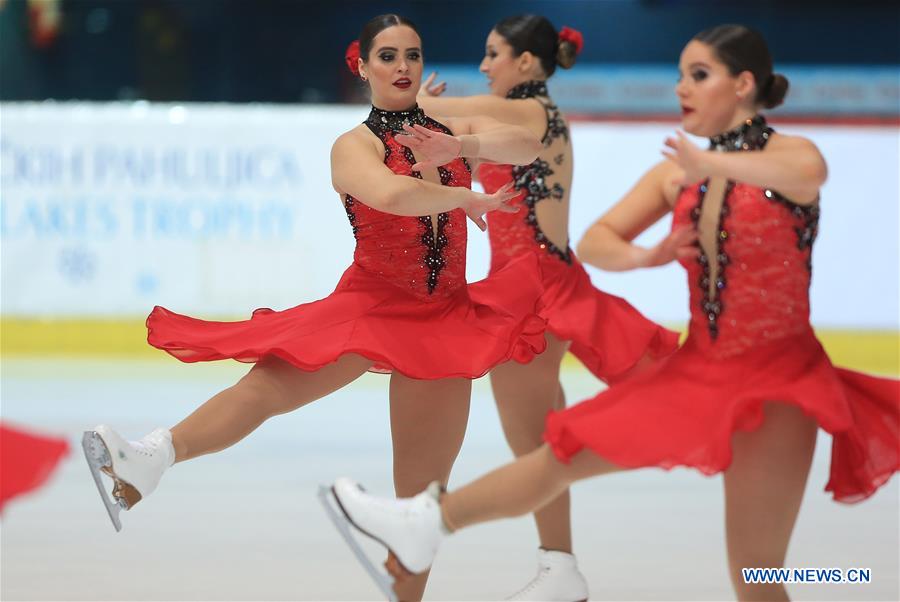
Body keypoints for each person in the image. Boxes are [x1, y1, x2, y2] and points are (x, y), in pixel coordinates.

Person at [328, 24, 900, 602]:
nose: (681, 88)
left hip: (781, 380)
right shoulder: (676, 172)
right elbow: (599, 239)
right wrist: (647, 255)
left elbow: (808, 174)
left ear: (743, 84)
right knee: (558, 453)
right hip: (699, 370)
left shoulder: (784, 155)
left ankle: (849, 583)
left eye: (698, 75)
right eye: (681, 75)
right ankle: (435, 525)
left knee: (758, 574)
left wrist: (713, 161)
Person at [83, 13, 549, 601]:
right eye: (387, 56)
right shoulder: (353, 145)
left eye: (412, 54)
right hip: (373, 304)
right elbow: (391, 193)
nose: (403, 66)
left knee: (420, 503)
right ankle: (149, 459)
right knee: (264, 390)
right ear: (363, 67)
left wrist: (463, 146)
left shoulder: (446, 129)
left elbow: (531, 143)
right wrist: (463, 194)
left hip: (446, 318)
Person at [414, 16, 678, 599]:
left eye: (494, 54)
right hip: (535, 281)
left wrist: (413, 101)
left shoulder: (532, 112)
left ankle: (554, 566)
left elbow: (454, 112)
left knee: (534, 447)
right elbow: (453, 152)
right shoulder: (511, 118)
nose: (484, 65)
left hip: (528, 289)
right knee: (541, 440)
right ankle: (560, 568)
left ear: (527, 63)